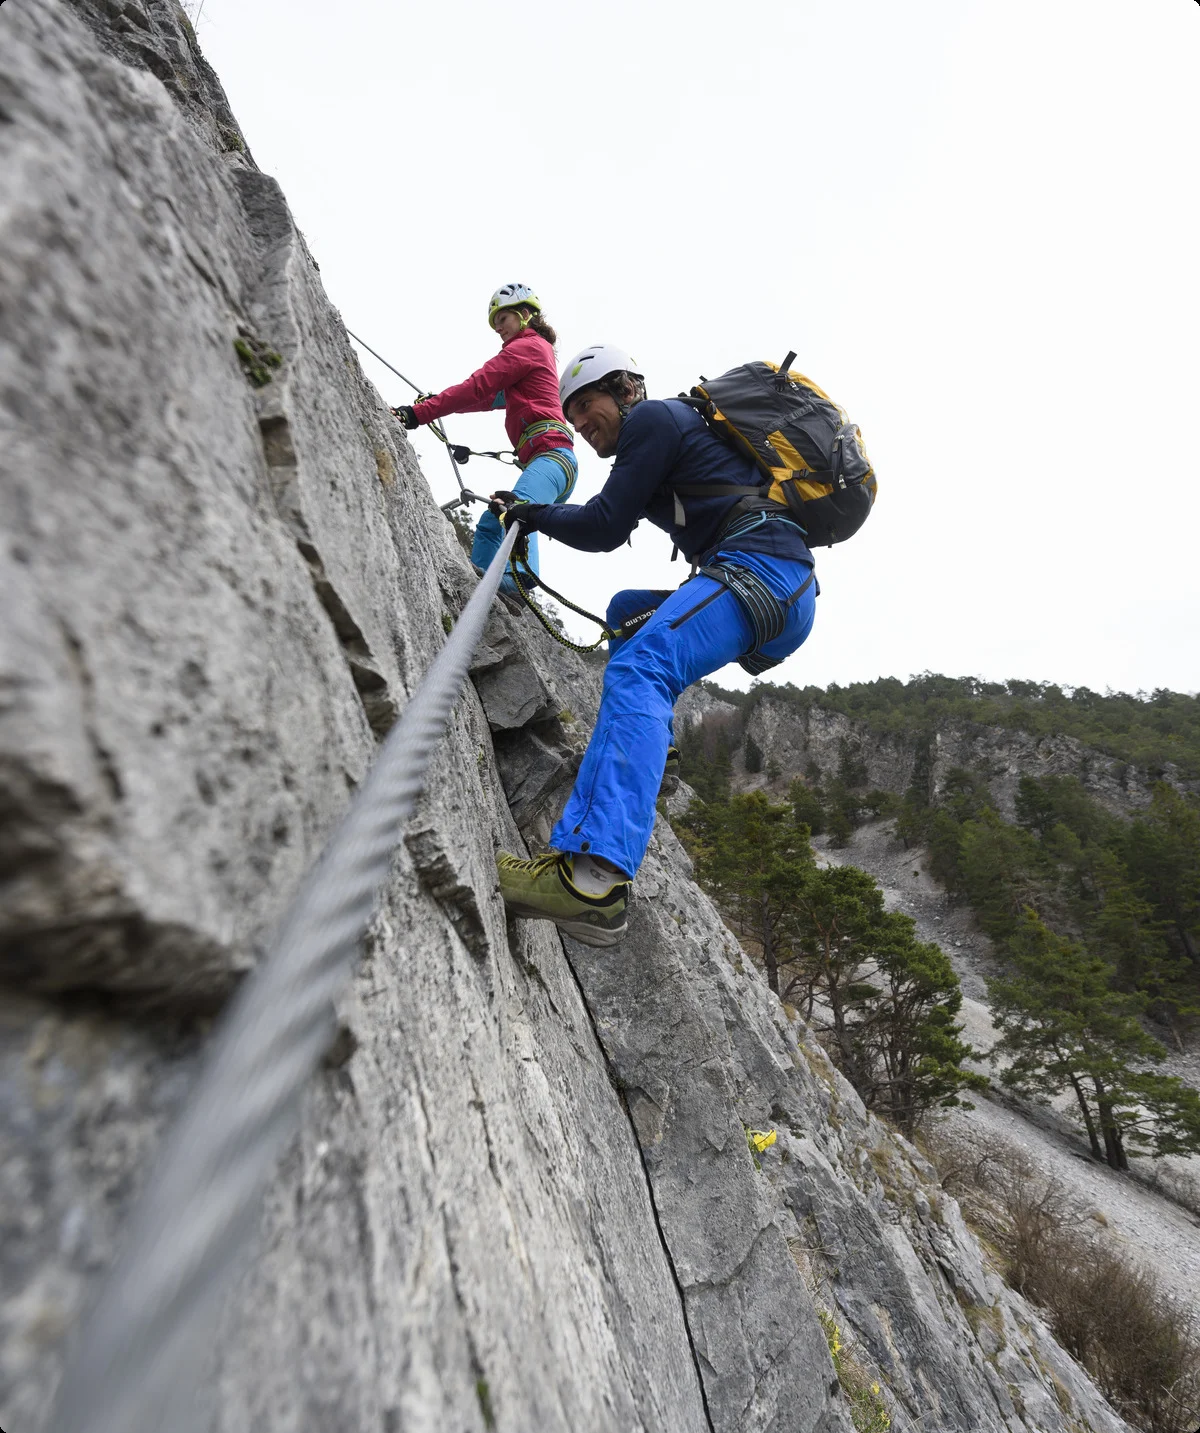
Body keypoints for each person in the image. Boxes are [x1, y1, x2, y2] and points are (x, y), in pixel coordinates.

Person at [492, 345, 819, 947]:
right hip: (777, 583)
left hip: (761, 571)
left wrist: (532, 514)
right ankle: (654, 748)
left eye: (587, 405)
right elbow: (605, 523)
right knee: (628, 614)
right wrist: (542, 515)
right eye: (571, 415)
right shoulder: (661, 434)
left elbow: (603, 525)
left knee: (642, 669)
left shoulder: (653, 419)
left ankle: (593, 881)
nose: (581, 424)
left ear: (624, 390)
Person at [394, 284, 576, 590]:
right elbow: (485, 398)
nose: (498, 328)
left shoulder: (528, 347)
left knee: (516, 516)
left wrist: (418, 413)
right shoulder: (534, 355)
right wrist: (436, 403)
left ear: (525, 314)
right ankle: (477, 582)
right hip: (549, 463)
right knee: (491, 523)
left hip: (551, 457)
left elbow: (476, 386)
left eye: (503, 319)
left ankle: (517, 581)